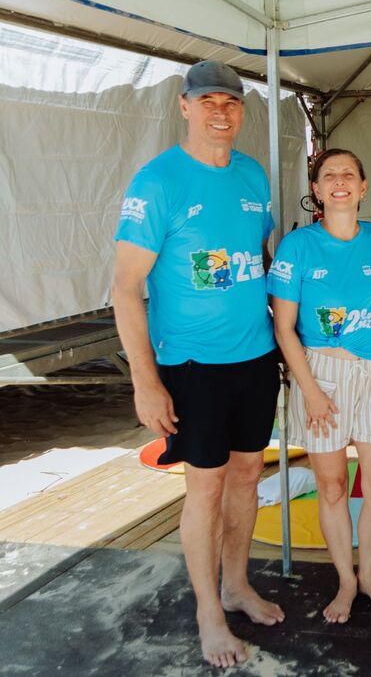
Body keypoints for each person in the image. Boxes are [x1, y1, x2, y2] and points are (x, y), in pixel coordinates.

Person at [112, 60, 283, 669]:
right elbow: (125, 288)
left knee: (245, 478)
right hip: (190, 364)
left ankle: (236, 585)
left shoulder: (251, 174)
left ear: (242, 112)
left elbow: (258, 255)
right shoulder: (157, 183)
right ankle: (208, 610)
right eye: (207, 100)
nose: (220, 111)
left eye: (231, 103)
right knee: (204, 488)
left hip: (255, 356)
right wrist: (145, 382)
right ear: (184, 107)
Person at [268, 148, 371, 623]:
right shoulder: (298, 246)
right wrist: (311, 391)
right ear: (318, 191)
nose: (340, 181)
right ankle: (345, 581)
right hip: (320, 373)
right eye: (329, 176)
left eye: (349, 174)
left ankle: (368, 575)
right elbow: (284, 328)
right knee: (331, 488)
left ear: (363, 187)